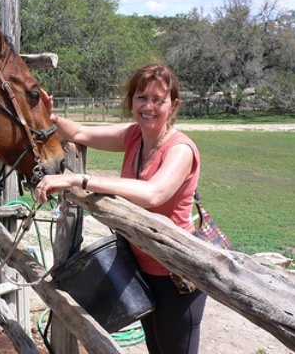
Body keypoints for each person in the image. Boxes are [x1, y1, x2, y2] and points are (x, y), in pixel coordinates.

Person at [35, 64, 207, 354]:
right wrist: (47, 116)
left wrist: (82, 180)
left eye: (158, 99)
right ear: (132, 101)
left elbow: (154, 193)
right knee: (155, 347)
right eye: (141, 97)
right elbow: (78, 132)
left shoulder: (180, 149)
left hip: (174, 273)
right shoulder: (133, 137)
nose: (148, 106)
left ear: (173, 104)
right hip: (141, 268)